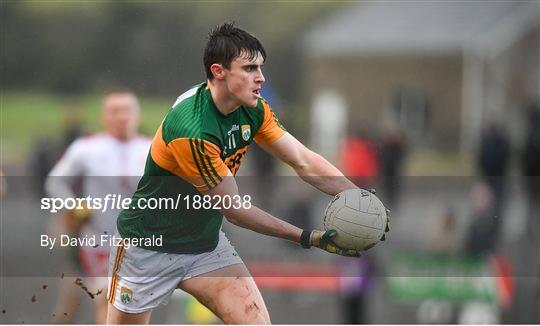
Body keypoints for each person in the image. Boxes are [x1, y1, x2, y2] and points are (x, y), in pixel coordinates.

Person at [106, 23, 388, 324]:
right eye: (250, 68)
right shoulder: (192, 130)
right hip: (148, 248)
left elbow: (303, 160)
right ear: (218, 71)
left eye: (261, 67)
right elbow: (235, 211)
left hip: (205, 247)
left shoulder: (253, 109)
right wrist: (307, 237)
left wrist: (356, 197)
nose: (261, 77)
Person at [45, 89, 151, 323]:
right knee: (101, 299)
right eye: (115, 111)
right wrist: (73, 207)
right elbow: (55, 181)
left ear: (137, 115)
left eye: (127, 110)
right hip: (97, 240)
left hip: (139, 244)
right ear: (104, 116)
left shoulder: (152, 149)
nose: (122, 116)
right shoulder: (87, 148)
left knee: (132, 306)